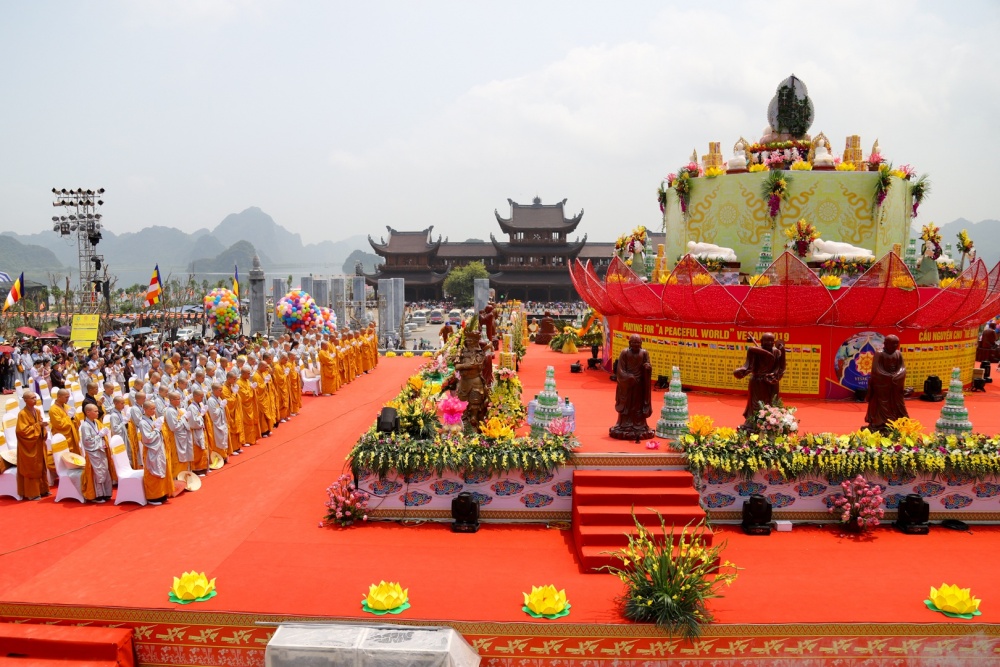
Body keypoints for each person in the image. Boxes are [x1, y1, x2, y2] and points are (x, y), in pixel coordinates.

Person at [733, 333, 786, 428]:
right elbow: (749, 366)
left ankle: (771, 424)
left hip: (771, 382)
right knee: (756, 404)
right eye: (767, 340)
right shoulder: (755, 352)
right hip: (757, 381)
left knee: (771, 403)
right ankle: (752, 424)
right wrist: (742, 371)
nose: (769, 343)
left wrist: (774, 375)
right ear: (761, 341)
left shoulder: (776, 352)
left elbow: (781, 367)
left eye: (771, 341)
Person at [609, 334, 654, 440]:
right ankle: (624, 425)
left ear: (641, 344)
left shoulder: (644, 353)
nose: (636, 345)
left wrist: (647, 368)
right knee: (627, 406)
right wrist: (629, 377)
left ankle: (640, 425)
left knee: (638, 405)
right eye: (633, 342)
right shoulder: (624, 353)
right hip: (627, 384)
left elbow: (648, 365)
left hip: (639, 385)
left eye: (638, 343)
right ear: (629, 343)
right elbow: (620, 370)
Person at [865, 334, 908, 433]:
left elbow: (902, 369)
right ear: (885, 344)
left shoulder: (898, 354)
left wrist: (897, 376)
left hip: (895, 384)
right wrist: (889, 377)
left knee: (898, 402)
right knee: (882, 403)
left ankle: (898, 422)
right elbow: (876, 370)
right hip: (882, 385)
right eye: (892, 344)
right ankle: (880, 423)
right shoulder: (879, 353)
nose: (895, 346)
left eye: (896, 343)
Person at [15, 391, 49, 500]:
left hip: (38, 443)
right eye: (32, 398)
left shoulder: (37, 411)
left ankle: (43, 489)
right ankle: (31, 493)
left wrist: (42, 427)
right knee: (31, 467)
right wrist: (38, 426)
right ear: (25, 400)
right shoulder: (22, 414)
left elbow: (39, 424)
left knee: (40, 465)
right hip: (28, 446)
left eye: (35, 397)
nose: (35, 399)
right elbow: (22, 431)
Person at [454, 329, 488, 429]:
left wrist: (461, 366)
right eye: (467, 340)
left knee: (475, 403)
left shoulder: (479, 352)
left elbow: (476, 365)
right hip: (464, 381)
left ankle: (475, 421)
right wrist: (456, 360)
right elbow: (455, 363)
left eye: (471, 340)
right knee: (462, 404)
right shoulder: (461, 352)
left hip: (475, 381)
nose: (468, 341)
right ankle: (463, 423)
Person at [79, 403, 112, 503]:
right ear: (88, 412)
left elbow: (100, 434)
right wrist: (100, 435)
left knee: (104, 471)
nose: (98, 413)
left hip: (100, 449)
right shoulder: (85, 426)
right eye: (96, 411)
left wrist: (102, 436)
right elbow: (88, 442)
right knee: (97, 474)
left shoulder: (96, 422)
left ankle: (106, 493)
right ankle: (98, 495)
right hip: (93, 453)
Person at [140, 400, 171, 505]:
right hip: (151, 450)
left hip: (158, 448)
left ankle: (162, 493)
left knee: (161, 468)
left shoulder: (151, 419)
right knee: (153, 472)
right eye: (151, 409)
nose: (154, 410)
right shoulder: (143, 422)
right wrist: (157, 430)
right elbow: (147, 438)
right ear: (145, 409)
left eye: (154, 408)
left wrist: (159, 429)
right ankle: (153, 497)